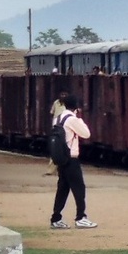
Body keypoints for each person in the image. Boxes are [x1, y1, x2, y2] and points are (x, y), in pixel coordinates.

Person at [49, 93, 98, 229]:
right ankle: (81, 217)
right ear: (76, 107)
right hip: (71, 159)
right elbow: (86, 134)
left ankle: (56, 218)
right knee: (79, 188)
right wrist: (79, 119)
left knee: (62, 189)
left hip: (61, 159)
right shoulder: (72, 119)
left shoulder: (58, 118)